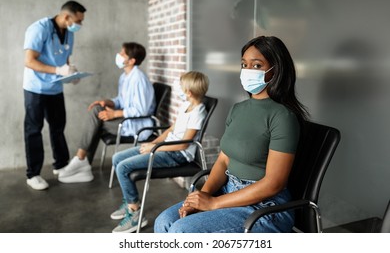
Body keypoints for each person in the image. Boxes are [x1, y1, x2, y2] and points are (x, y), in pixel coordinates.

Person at [154, 35, 309, 233]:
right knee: (164, 222)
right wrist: (202, 197)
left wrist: (213, 204)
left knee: (181, 231)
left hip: (265, 207)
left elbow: (274, 183)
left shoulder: (283, 117)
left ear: (275, 70)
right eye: (244, 64)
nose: (247, 71)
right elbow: (223, 161)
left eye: (256, 65)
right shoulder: (238, 109)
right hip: (229, 190)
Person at [109, 71, 209, 233]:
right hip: (164, 147)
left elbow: (183, 145)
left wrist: (154, 148)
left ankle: (134, 215)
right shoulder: (186, 106)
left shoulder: (198, 112)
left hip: (176, 155)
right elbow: (171, 129)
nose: (180, 91)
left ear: (189, 93)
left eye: (182, 88)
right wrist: (153, 142)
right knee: (117, 158)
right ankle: (130, 202)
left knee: (122, 168)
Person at [58, 42, 156, 184]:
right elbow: (121, 100)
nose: (119, 55)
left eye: (122, 54)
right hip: (127, 121)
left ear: (132, 60)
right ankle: (83, 164)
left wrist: (114, 114)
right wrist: (107, 102)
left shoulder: (139, 78)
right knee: (98, 110)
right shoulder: (125, 77)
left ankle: (81, 161)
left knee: (97, 119)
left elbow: (141, 110)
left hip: (137, 125)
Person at [23, 0, 86, 190]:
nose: (80, 25)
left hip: (56, 88)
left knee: (58, 128)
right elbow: (29, 62)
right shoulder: (39, 29)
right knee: (34, 130)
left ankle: (61, 166)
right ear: (67, 16)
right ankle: (33, 174)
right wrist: (59, 69)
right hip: (36, 88)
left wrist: (71, 73)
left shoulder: (69, 33)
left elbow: (65, 59)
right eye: (78, 20)